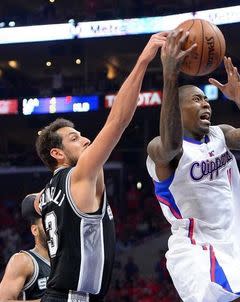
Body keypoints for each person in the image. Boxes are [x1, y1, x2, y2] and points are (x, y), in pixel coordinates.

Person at [34, 31, 168, 302]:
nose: (85, 139)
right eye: (74, 138)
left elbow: (31, 204)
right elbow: (117, 121)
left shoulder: (47, 193)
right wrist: (144, 60)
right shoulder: (79, 175)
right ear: (57, 153)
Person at [146, 29, 240, 301]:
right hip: (195, 248)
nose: (206, 104)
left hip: (232, 245)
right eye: (196, 99)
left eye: (205, 99)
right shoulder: (159, 148)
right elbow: (170, 147)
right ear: (177, 109)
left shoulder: (220, 134)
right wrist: (170, 76)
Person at [0, 193, 50, 301]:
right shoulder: (23, 261)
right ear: (34, 230)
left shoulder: (66, 261)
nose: (52, 226)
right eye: (46, 222)